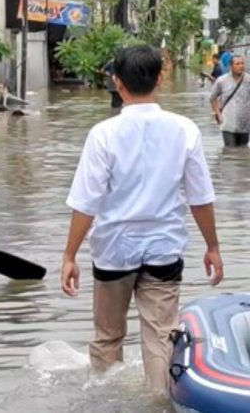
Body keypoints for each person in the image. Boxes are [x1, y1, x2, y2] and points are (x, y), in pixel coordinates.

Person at [61, 45, 223, 396]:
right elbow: (200, 197)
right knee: (161, 337)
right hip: (164, 250)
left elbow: (86, 203)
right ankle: (159, 402)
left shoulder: (103, 134)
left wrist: (69, 256)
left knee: (107, 338)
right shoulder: (185, 130)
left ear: (117, 83)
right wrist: (213, 246)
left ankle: (105, 401)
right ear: (161, 78)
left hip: (112, 252)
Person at [210, 55, 250, 147]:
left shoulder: (248, 80)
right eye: (237, 64)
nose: (241, 66)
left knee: (243, 151)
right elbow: (212, 98)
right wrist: (218, 114)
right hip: (228, 123)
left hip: (245, 124)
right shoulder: (222, 81)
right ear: (231, 66)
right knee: (230, 151)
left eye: (242, 63)